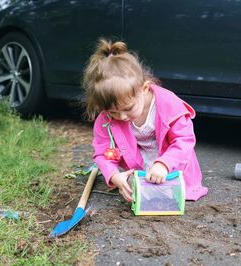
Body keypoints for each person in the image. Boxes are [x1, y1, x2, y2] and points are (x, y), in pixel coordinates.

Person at [82, 39, 208, 202]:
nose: (122, 117)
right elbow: (103, 152)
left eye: (128, 109)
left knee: (172, 195)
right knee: (145, 197)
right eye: (113, 112)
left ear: (144, 88)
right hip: (140, 166)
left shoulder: (169, 105)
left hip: (173, 163)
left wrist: (164, 164)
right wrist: (114, 176)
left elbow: (184, 140)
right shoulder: (105, 119)